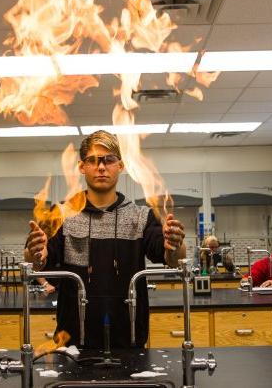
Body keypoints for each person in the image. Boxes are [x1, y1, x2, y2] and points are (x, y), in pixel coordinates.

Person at [24, 130, 186, 349]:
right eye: (93, 160)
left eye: (109, 160)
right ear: (82, 167)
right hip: (73, 341)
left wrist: (175, 244)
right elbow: (39, 264)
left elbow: (173, 259)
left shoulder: (141, 216)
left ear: (120, 166)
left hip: (129, 340)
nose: (101, 167)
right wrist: (35, 255)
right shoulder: (61, 214)